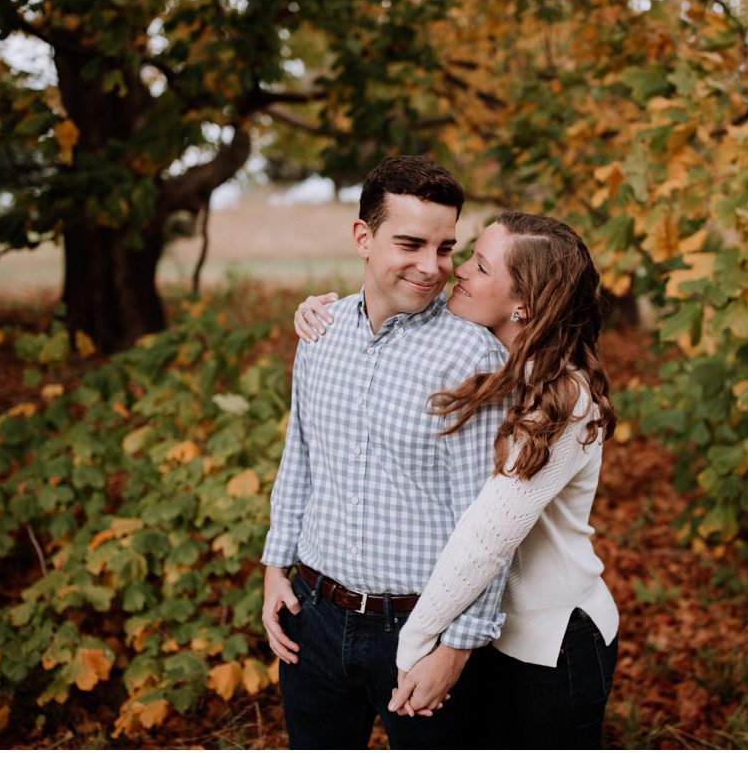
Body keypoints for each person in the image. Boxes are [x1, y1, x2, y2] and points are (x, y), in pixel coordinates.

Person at [293, 210, 620, 748]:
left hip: (549, 642)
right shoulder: (493, 365)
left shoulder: (565, 399)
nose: (458, 271)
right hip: (480, 628)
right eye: (468, 254)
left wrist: (412, 646)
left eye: (482, 266)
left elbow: (485, 538)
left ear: (526, 304)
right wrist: (326, 317)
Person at [260, 155, 514, 749]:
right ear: (363, 237)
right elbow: (300, 457)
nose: (432, 268)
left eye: (446, 248)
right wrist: (276, 569)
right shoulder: (320, 332)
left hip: (420, 627)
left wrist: (456, 648)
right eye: (411, 244)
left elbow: (489, 524)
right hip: (314, 617)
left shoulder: (470, 358)